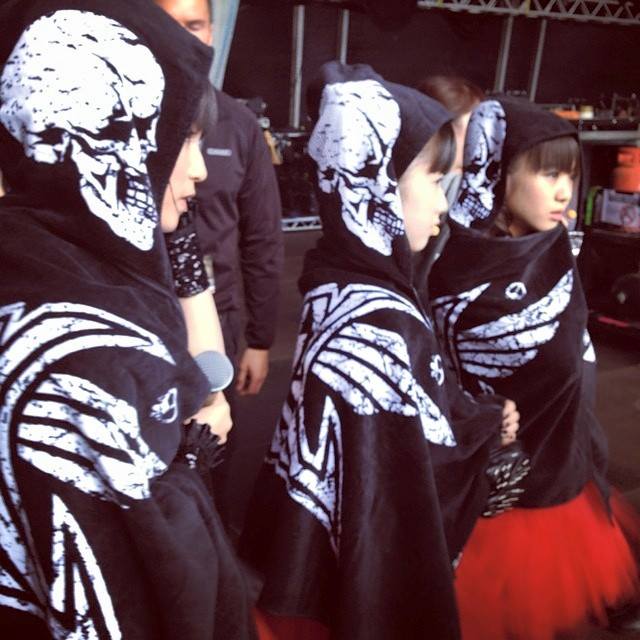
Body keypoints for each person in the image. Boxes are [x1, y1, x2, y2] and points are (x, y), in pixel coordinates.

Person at [0, 1, 257, 637]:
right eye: (180, 138)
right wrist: (180, 459)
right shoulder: (81, 355)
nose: (198, 167)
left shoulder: (71, 265)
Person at [239, 62, 520, 640]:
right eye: (432, 181)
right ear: (376, 187)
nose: (443, 206)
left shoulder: (335, 279)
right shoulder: (382, 322)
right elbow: (407, 487)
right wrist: (487, 429)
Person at [429, 95, 640, 639]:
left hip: (565, 454)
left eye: (570, 175)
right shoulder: (456, 264)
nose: (565, 191)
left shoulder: (555, 249)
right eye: (548, 174)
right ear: (499, 172)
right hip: (500, 482)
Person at [155, 0, 284, 533]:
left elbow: (262, 237)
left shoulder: (237, 125)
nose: (198, 170)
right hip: (147, 334)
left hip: (218, 321)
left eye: (194, 24)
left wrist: (258, 338)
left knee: (214, 454)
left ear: (213, 31)